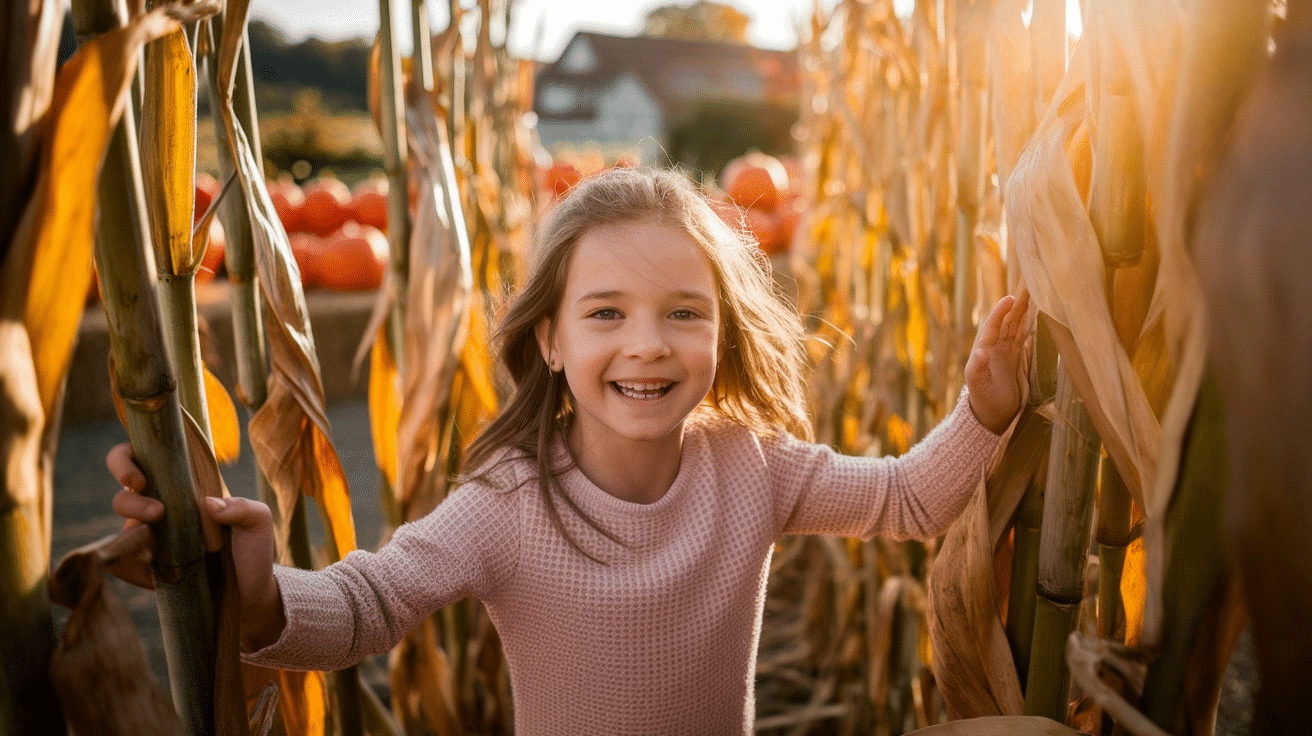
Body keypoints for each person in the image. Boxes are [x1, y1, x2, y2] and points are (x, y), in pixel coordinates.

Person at [110, 166, 1031, 734]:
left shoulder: (750, 465)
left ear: (724, 333)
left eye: (683, 313)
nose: (647, 344)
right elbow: (366, 608)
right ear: (549, 341)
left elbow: (908, 502)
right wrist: (262, 589)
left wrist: (983, 411)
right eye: (605, 315)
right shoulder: (511, 502)